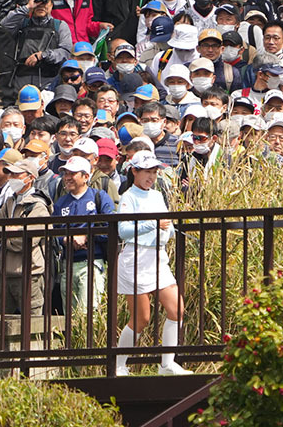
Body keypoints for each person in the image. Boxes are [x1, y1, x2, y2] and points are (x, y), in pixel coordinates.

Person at [114, 151, 190, 376]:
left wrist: (166, 232)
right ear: (134, 171)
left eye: (154, 171)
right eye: (147, 171)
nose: (151, 176)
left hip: (158, 258)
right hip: (135, 259)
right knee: (141, 318)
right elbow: (123, 231)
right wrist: (152, 225)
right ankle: (119, 365)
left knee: (177, 308)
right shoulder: (128, 196)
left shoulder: (157, 196)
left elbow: (167, 227)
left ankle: (167, 364)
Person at [52, 156, 115, 317]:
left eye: (72, 174)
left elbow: (110, 226)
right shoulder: (60, 203)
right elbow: (53, 232)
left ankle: (90, 343)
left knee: (89, 315)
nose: (67, 177)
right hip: (67, 264)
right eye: (65, 173)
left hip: (92, 262)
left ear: (86, 176)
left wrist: (86, 236)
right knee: (70, 316)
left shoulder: (99, 197)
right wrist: (66, 239)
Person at [0, 156, 54, 317]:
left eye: (17, 175)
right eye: (11, 175)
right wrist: (10, 230)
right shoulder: (10, 201)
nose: (12, 179)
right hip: (4, 272)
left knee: (32, 323)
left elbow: (24, 241)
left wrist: (5, 234)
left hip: (30, 274)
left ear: (30, 178)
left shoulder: (38, 205)